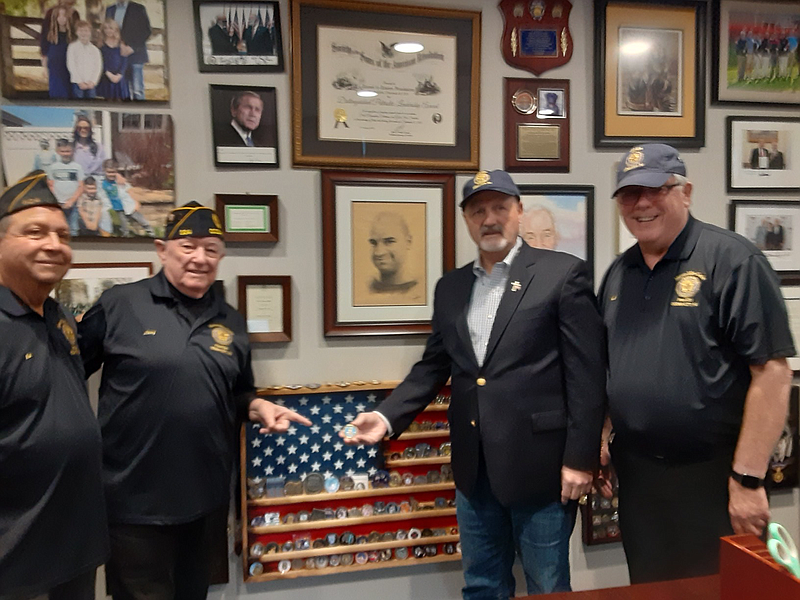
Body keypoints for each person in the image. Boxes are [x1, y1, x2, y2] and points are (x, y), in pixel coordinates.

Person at [343, 170, 607, 598]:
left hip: (542, 470)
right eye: (478, 210)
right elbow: (433, 366)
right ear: (466, 220)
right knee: (481, 586)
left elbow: (587, 375)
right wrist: (385, 416)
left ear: (518, 212)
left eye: (500, 208)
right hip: (474, 469)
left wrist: (580, 459)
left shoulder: (563, 274)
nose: (490, 219)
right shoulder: (450, 287)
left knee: (548, 585)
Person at [77, 202, 311, 599]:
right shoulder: (120, 304)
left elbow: (240, 393)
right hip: (133, 502)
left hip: (204, 501)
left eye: (212, 248)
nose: (200, 258)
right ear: (161, 249)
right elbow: (68, 373)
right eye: (188, 246)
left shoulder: (231, 319)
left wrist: (259, 408)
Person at [597, 143, 795, 584]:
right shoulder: (617, 274)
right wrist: (604, 433)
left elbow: (773, 373)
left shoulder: (733, 260)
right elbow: (613, 368)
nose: (642, 203)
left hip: (714, 478)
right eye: (629, 194)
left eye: (655, 189)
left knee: (725, 592)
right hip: (641, 479)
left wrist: (747, 479)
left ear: (685, 191)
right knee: (651, 589)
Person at [0, 171, 108, 599]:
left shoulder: (57, 315)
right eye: (35, 232)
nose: (53, 245)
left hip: (73, 544)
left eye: (63, 235)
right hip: (16, 556)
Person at [105, 0, 152, 101]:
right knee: (123, 90)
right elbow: (107, 31)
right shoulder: (110, 9)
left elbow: (146, 31)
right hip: (118, 57)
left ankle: (140, 114)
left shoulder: (138, 9)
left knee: (137, 89)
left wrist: (132, 48)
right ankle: (127, 115)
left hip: (136, 55)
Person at [96, 158, 154, 237]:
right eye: (109, 172)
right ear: (104, 171)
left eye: (113, 172)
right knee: (124, 226)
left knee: (141, 220)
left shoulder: (120, 181)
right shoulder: (102, 183)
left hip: (129, 205)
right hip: (117, 208)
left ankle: (152, 234)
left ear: (117, 171)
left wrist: (136, 202)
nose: (111, 174)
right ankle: (125, 237)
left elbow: (129, 191)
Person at [367, 212, 418, 294]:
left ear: (408, 242)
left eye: (389, 242)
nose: (378, 252)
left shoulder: (419, 289)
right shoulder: (368, 288)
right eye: (374, 243)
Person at [46, 138, 85, 236]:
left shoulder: (77, 167)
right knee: (58, 227)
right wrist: (56, 200)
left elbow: (81, 186)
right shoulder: (53, 167)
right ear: (58, 152)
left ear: (72, 152)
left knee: (74, 228)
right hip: (58, 203)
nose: (65, 154)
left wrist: (71, 201)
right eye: (63, 151)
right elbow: (50, 185)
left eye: (68, 151)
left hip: (73, 203)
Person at [40, 4, 75, 99]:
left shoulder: (72, 35)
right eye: (59, 16)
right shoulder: (50, 35)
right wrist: (44, 68)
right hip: (54, 65)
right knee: (56, 89)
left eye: (64, 15)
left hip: (68, 65)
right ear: (55, 18)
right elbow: (45, 52)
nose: (62, 18)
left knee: (68, 89)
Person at [66, 20, 102, 99]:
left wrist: (93, 81)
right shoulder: (72, 47)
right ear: (76, 32)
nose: (83, 33)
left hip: (90, 84)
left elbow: (98, 66)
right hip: (77, 83)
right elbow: (71, 65)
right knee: (78, 106)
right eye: (81, 31)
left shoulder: (95, 50)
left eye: (86, 31)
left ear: (90, 32)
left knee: (90, 106)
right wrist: (79, 81)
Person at [97, 18, 130, 100]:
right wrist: (108, 74)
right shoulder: (101, 45)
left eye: (110, 28)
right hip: (106, 77)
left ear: (115, 29)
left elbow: (124, 61)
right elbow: (100, 61)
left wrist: (119, 75)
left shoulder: (121, 44)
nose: (108, 30)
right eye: (106, 28)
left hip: (119, 77)